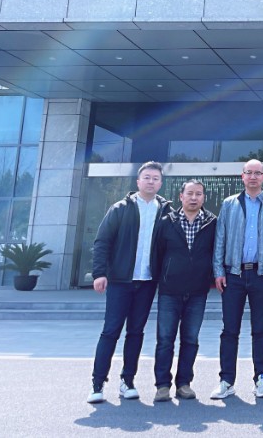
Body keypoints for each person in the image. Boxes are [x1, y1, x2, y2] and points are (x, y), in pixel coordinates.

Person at [87, 161, 172, 404]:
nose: (151, 181)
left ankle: (127, 381)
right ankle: (97, 384)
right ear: (138, 181)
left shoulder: (164, 211)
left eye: (155, 178)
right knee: (111, 331)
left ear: (160, 183)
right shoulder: (120, 208)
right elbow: (102, 241)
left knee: (136, 332)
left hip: (147, 282)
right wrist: (99, 273)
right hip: (120, 281)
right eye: (147, 177)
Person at [210, 160, 263, 400]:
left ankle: (261, 378)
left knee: (261, 329)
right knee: (229, 330)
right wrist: (218, 270)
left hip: (262, 275)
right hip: (233, 275)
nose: (252, 176)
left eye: (257, 173)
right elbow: (220, 238)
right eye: (248, 172)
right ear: (242, 176)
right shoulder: (229, 203)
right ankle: (226, 380)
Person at [150, 179, 217, 402]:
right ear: (181, 196)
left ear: (204, 198)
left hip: (198, 291)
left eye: (198, 194)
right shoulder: (166, 222)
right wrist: (161, 279)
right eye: (190, 193)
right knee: (165, 339)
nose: (194, 197)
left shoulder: (212, 223)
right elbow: (157, 253)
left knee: (190, 339)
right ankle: (162, 385)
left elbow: (215, 252)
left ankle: (184, 383)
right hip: (170, 291)